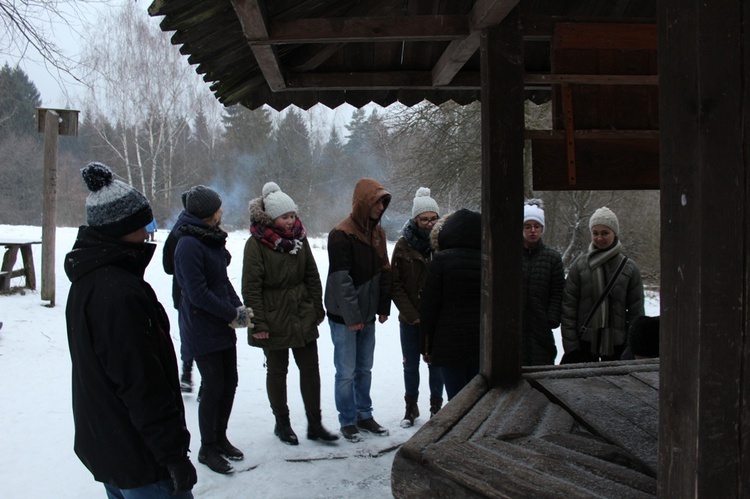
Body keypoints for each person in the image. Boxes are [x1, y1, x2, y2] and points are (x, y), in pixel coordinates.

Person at [65, 162, 196, 498]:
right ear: (124, 227)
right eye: (143, 223)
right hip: (141, 458)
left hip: (112, 447)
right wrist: (172, 455)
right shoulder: (119, 293)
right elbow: (142, 384)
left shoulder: (89, 279)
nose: (149, 232)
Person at [242, 182, 339, 446]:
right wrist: (258, 323)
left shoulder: (300, 239)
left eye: (292, 215)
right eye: (285, 216)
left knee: (310, 370)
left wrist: (317, 308)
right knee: (277, 371)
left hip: (302, 313)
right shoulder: (256, 245)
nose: (290, 220)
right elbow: (251, 288)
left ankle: (315, 423)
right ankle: (282, 423)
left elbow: (311, 274)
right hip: (272, 318)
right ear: (272, 218)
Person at [174, 185, 251, 474]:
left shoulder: (210, 240)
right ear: (209, 213)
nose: (222, 210)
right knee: (214, 386)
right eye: (218, 207)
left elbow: (221, 282)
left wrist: (239, 308)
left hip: (220, 325)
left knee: (229, 382)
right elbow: (197, 293)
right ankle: (207, 448)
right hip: (201, 326)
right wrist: (231, 312)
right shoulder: (189, 244)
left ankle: (220, 438)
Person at [325, 178, 392, 442]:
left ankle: (365, 414)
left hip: (368, 314)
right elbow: (341, 280)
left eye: (384, 202)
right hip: (345, 317)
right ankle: (348, 420)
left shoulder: (379, 233)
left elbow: (385, 270)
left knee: (365, 369)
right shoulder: (341, 234)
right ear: (364, 203)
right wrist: (352, 318)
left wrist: (383, 306)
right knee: (346, 372)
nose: (381, 207)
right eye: (377, 201)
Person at [561, 207, 645, 363]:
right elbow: (568, 309)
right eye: (595, 233)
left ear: (614, 233)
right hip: (584, 344)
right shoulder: (579, 266)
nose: (599, 238)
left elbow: (636, 311)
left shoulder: (629, 268)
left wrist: (630, 346)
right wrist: (571, 347)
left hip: (618, 346)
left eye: (605, 233)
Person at [391, 187, 445, 426]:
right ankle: (410, 408)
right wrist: (412, 315)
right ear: (415, 220)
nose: (429, 223)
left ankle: (436, 408)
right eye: (424, 219)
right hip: (410, 318)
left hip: (437, 318)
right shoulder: (403, 246)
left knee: (436, 364)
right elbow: (395, 284)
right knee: (410, 365)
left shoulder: (443, 244)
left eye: (433, 218)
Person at [420, 209, 482, 401]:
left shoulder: (441, 260)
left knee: (456, 400)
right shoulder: (488, 260)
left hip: (448, 343)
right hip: (480, 341)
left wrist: (426, 345)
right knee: (476, 397)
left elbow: (429, 306)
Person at [521, 200, 565, 366]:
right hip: (516, 325)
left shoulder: (552, 257)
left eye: (536, 226)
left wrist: (551, 318)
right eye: (528, 226)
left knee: (542, 365)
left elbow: (557, 290)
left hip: (541, 325)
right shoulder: (511, 255)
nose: (532, 231)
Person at [163, 192, 197, 394]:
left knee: (188, 333)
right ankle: (200, 381)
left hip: (181, 292)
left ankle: (186, 373)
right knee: (204, 336)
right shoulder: (208, 229)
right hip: (196, 292)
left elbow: (168, 266)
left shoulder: (177, 231)